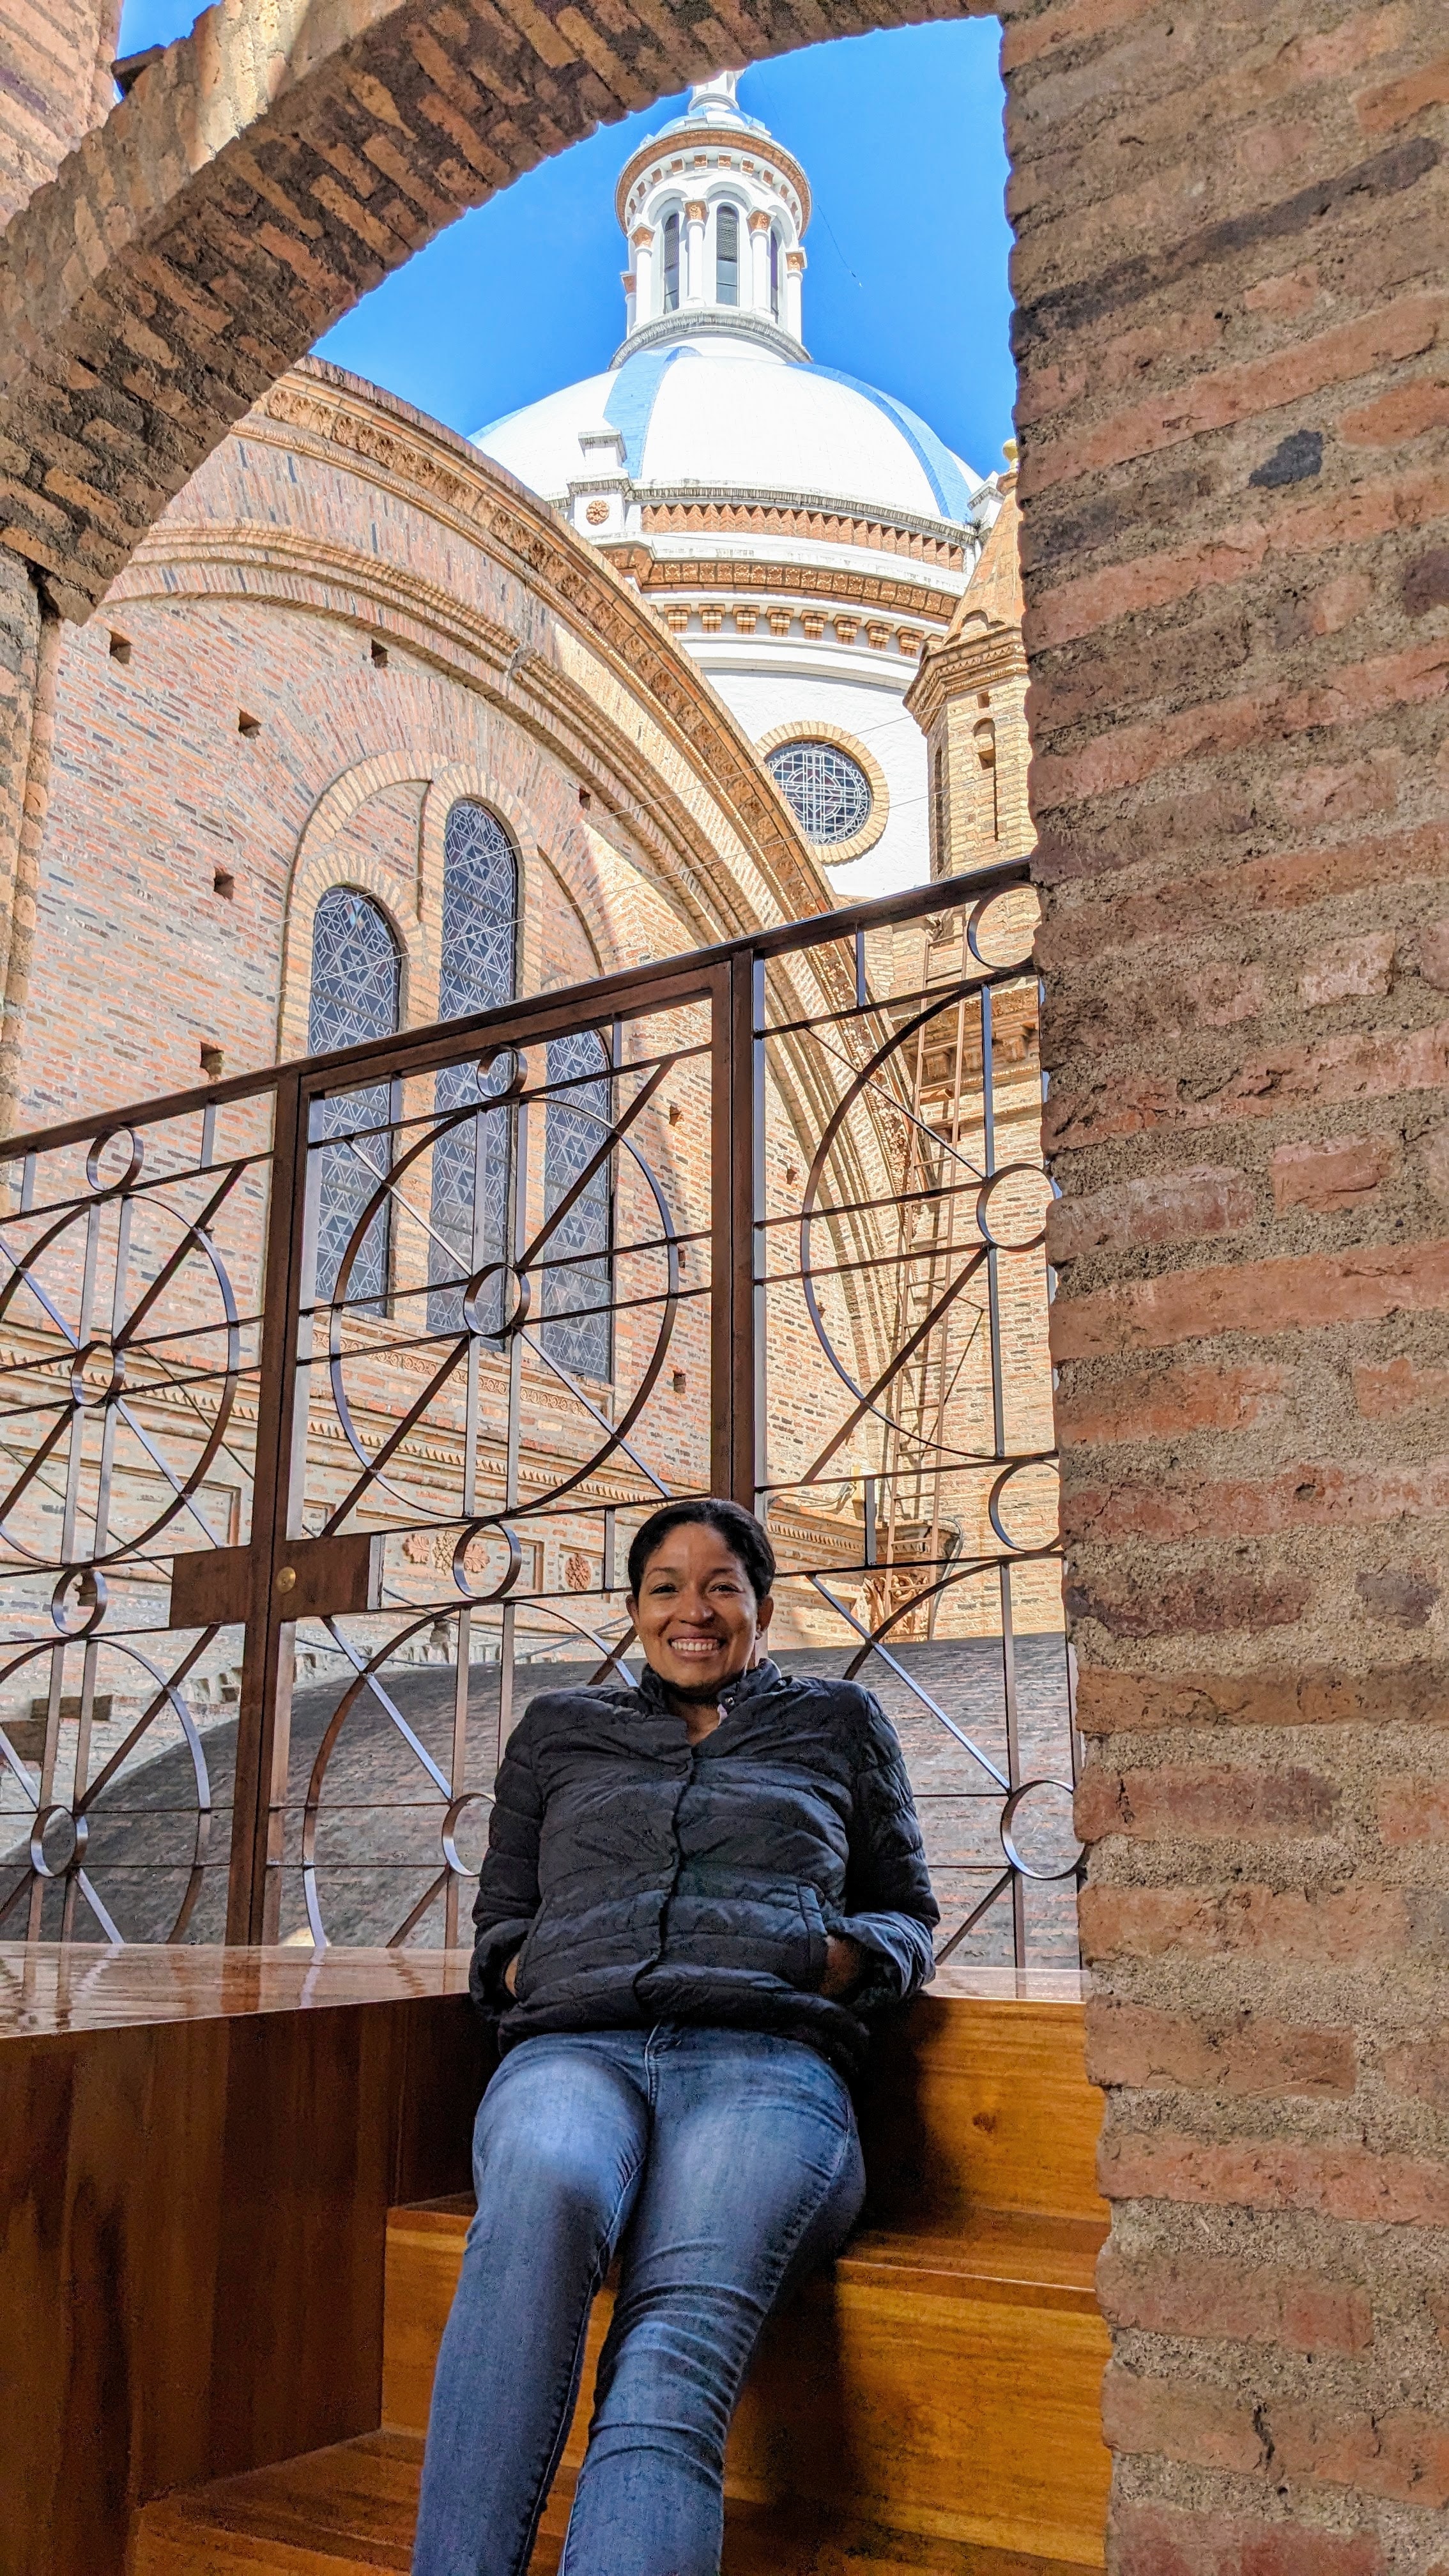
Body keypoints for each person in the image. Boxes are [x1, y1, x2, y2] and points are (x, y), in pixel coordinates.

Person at [412, 1496, 939, 2576]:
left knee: (666, 2368)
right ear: (634, 1610)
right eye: (666, 1588)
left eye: (721, 1588)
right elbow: (500, 1926)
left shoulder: (837, 1723)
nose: (692, 1611)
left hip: (766, 2068)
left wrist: (828, 1958)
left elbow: (907, 1916)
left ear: (763, 1607)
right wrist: (536, 1966)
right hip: (576, 2053)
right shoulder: (561, 1730)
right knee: (540, 2199)